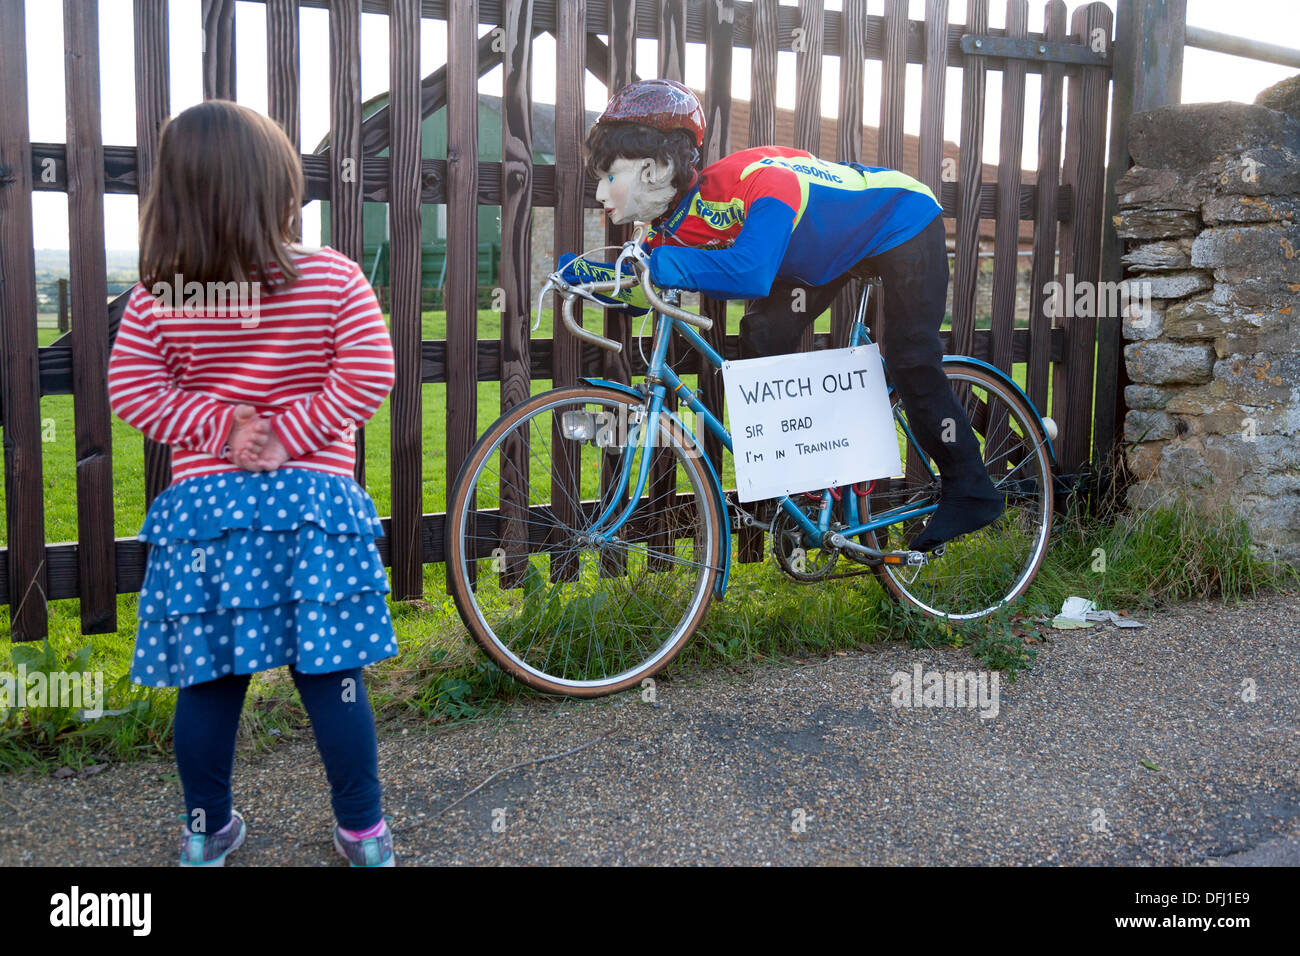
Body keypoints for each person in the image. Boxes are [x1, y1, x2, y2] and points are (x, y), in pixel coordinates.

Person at [107, 100, 399, 867]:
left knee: (208, 681)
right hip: (314, 506)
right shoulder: (331, 276)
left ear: (172, 196)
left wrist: (224, 430)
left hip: (208, 517)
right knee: (332, 672)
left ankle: (207, 832)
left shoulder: (159, 296)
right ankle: (363, 833)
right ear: (278, 189)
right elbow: (370, 373)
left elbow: (133, 392)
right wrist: (293, 436)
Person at [564, 78, 1003, 552]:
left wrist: (657, 264)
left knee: (910, 356)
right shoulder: (674, 220)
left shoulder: (762, 180)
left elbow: (751, 273)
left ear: (653, 168)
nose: (602, 194)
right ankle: (814, 464)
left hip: (902, 220)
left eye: (611, 176)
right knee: (763, 333)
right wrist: (587, 278)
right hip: (825, 254)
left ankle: (971, 489)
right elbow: (641, 287)